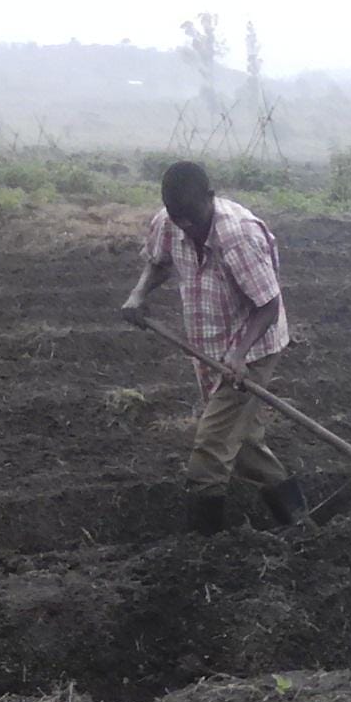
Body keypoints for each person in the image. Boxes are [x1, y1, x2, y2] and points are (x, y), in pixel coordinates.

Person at [120, 161, 305, 535]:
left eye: (191, 216)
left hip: (252, 347)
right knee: (244, 443)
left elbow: (268, 305)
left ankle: (204, 553)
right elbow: (158, 262)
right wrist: (138, 295)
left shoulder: (239, 237)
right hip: (209, 345)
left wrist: (238, 355)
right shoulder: (169, 221)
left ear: (210, 197)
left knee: (210, 450)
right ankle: (300, 521)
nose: (185, 225)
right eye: (178, 216)